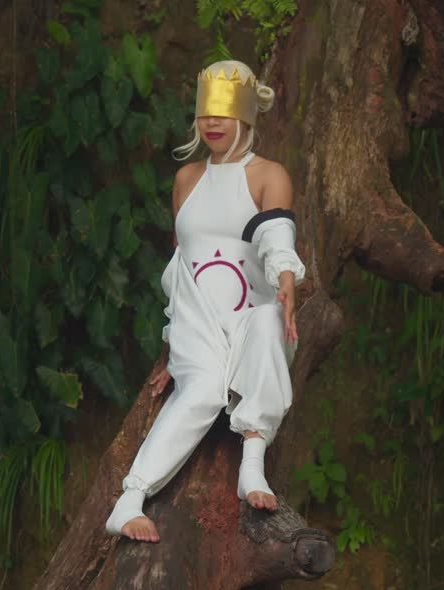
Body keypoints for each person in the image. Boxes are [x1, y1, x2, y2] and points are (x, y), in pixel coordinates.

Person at [104, 60, 306, 542]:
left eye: (223, 113)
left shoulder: (267, 175)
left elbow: (278, 235)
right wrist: (175, 343)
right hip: (198, 321)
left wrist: (285, 281)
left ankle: (251, 466)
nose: (212, 123)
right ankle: (130, 498)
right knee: (202, 391)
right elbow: (182, 266)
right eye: (205, 114)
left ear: (246, 117)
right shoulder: (186, 180)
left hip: (251, 316)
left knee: (267, 324)